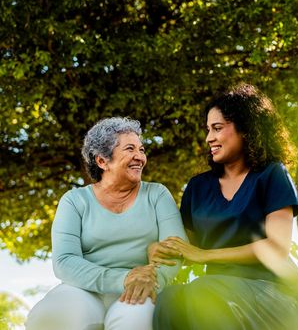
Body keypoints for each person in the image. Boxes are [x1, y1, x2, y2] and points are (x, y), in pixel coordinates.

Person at [150, 83, 298, 330]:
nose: (208, 138)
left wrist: (204, 255)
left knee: (203, 292)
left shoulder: (271, 175)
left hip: (270, 293)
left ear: (246, 129)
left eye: (217, 128)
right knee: (170, 300)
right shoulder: (198, 187)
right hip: (214, 292)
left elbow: (277, 248)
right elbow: (185, 248)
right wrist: (158, 251)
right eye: (208, 129)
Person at [26, 117, 187, 330]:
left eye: (142, 149)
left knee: (136, 321)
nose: (140, 157)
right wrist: (123, 278)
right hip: (82, 289)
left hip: (142, 287)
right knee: (51, 316)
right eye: (130, 149)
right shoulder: (74, 200)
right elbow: (65, 261)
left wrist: (153, 280)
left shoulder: (157, 195)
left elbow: (174, 251)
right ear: (102, 161)